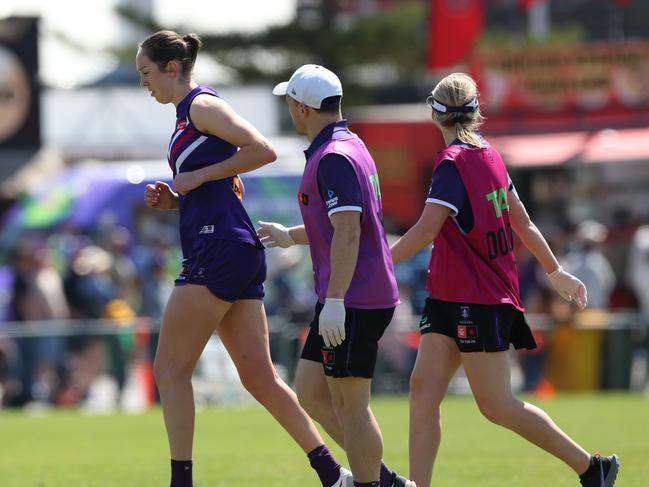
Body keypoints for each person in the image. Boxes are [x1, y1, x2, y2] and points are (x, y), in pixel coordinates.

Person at [136, 32, 352, 487]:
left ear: (171, 67)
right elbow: (216, 188)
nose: (145, 83)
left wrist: (197, 175)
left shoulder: (200, 106)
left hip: (218, 248)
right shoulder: (184, 116)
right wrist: (176, 200)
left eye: (146, 73)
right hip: (233, 247)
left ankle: (181, 482)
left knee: (170, 372)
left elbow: (262, 150)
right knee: (260, 378)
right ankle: (333, 475)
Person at [389, 72, 619, 487]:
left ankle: (592, 467)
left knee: (497, 406)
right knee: (423, 392)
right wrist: (555, 270)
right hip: (449, 295)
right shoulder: (490, 155)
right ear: (477, 111)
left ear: (434, 113)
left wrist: (376, 266)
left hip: (477, 299)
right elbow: (524, 223)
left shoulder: (452, 163)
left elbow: (424, 231)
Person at [258, 64, 415, 487]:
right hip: (349, 294)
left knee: (352, 404)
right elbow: (339, 225)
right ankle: (384, 480)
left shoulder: (333, 157)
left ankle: (373, 484)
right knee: (309, 391)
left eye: (290, 102)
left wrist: (337, 302)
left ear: (303, 107)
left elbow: (348, 230)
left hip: (354, 298)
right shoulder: (348, 145)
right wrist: (290, 237)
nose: (289, 110)